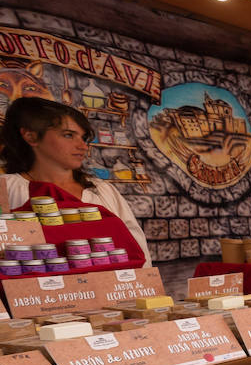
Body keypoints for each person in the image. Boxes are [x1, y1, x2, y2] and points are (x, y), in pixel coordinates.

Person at [0, 96, 151, 263]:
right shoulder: (7, 189)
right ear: (31, 137)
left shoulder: (101, 190)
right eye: (68, 135)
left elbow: (138, 251)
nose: (83, 146)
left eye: (83, 137)